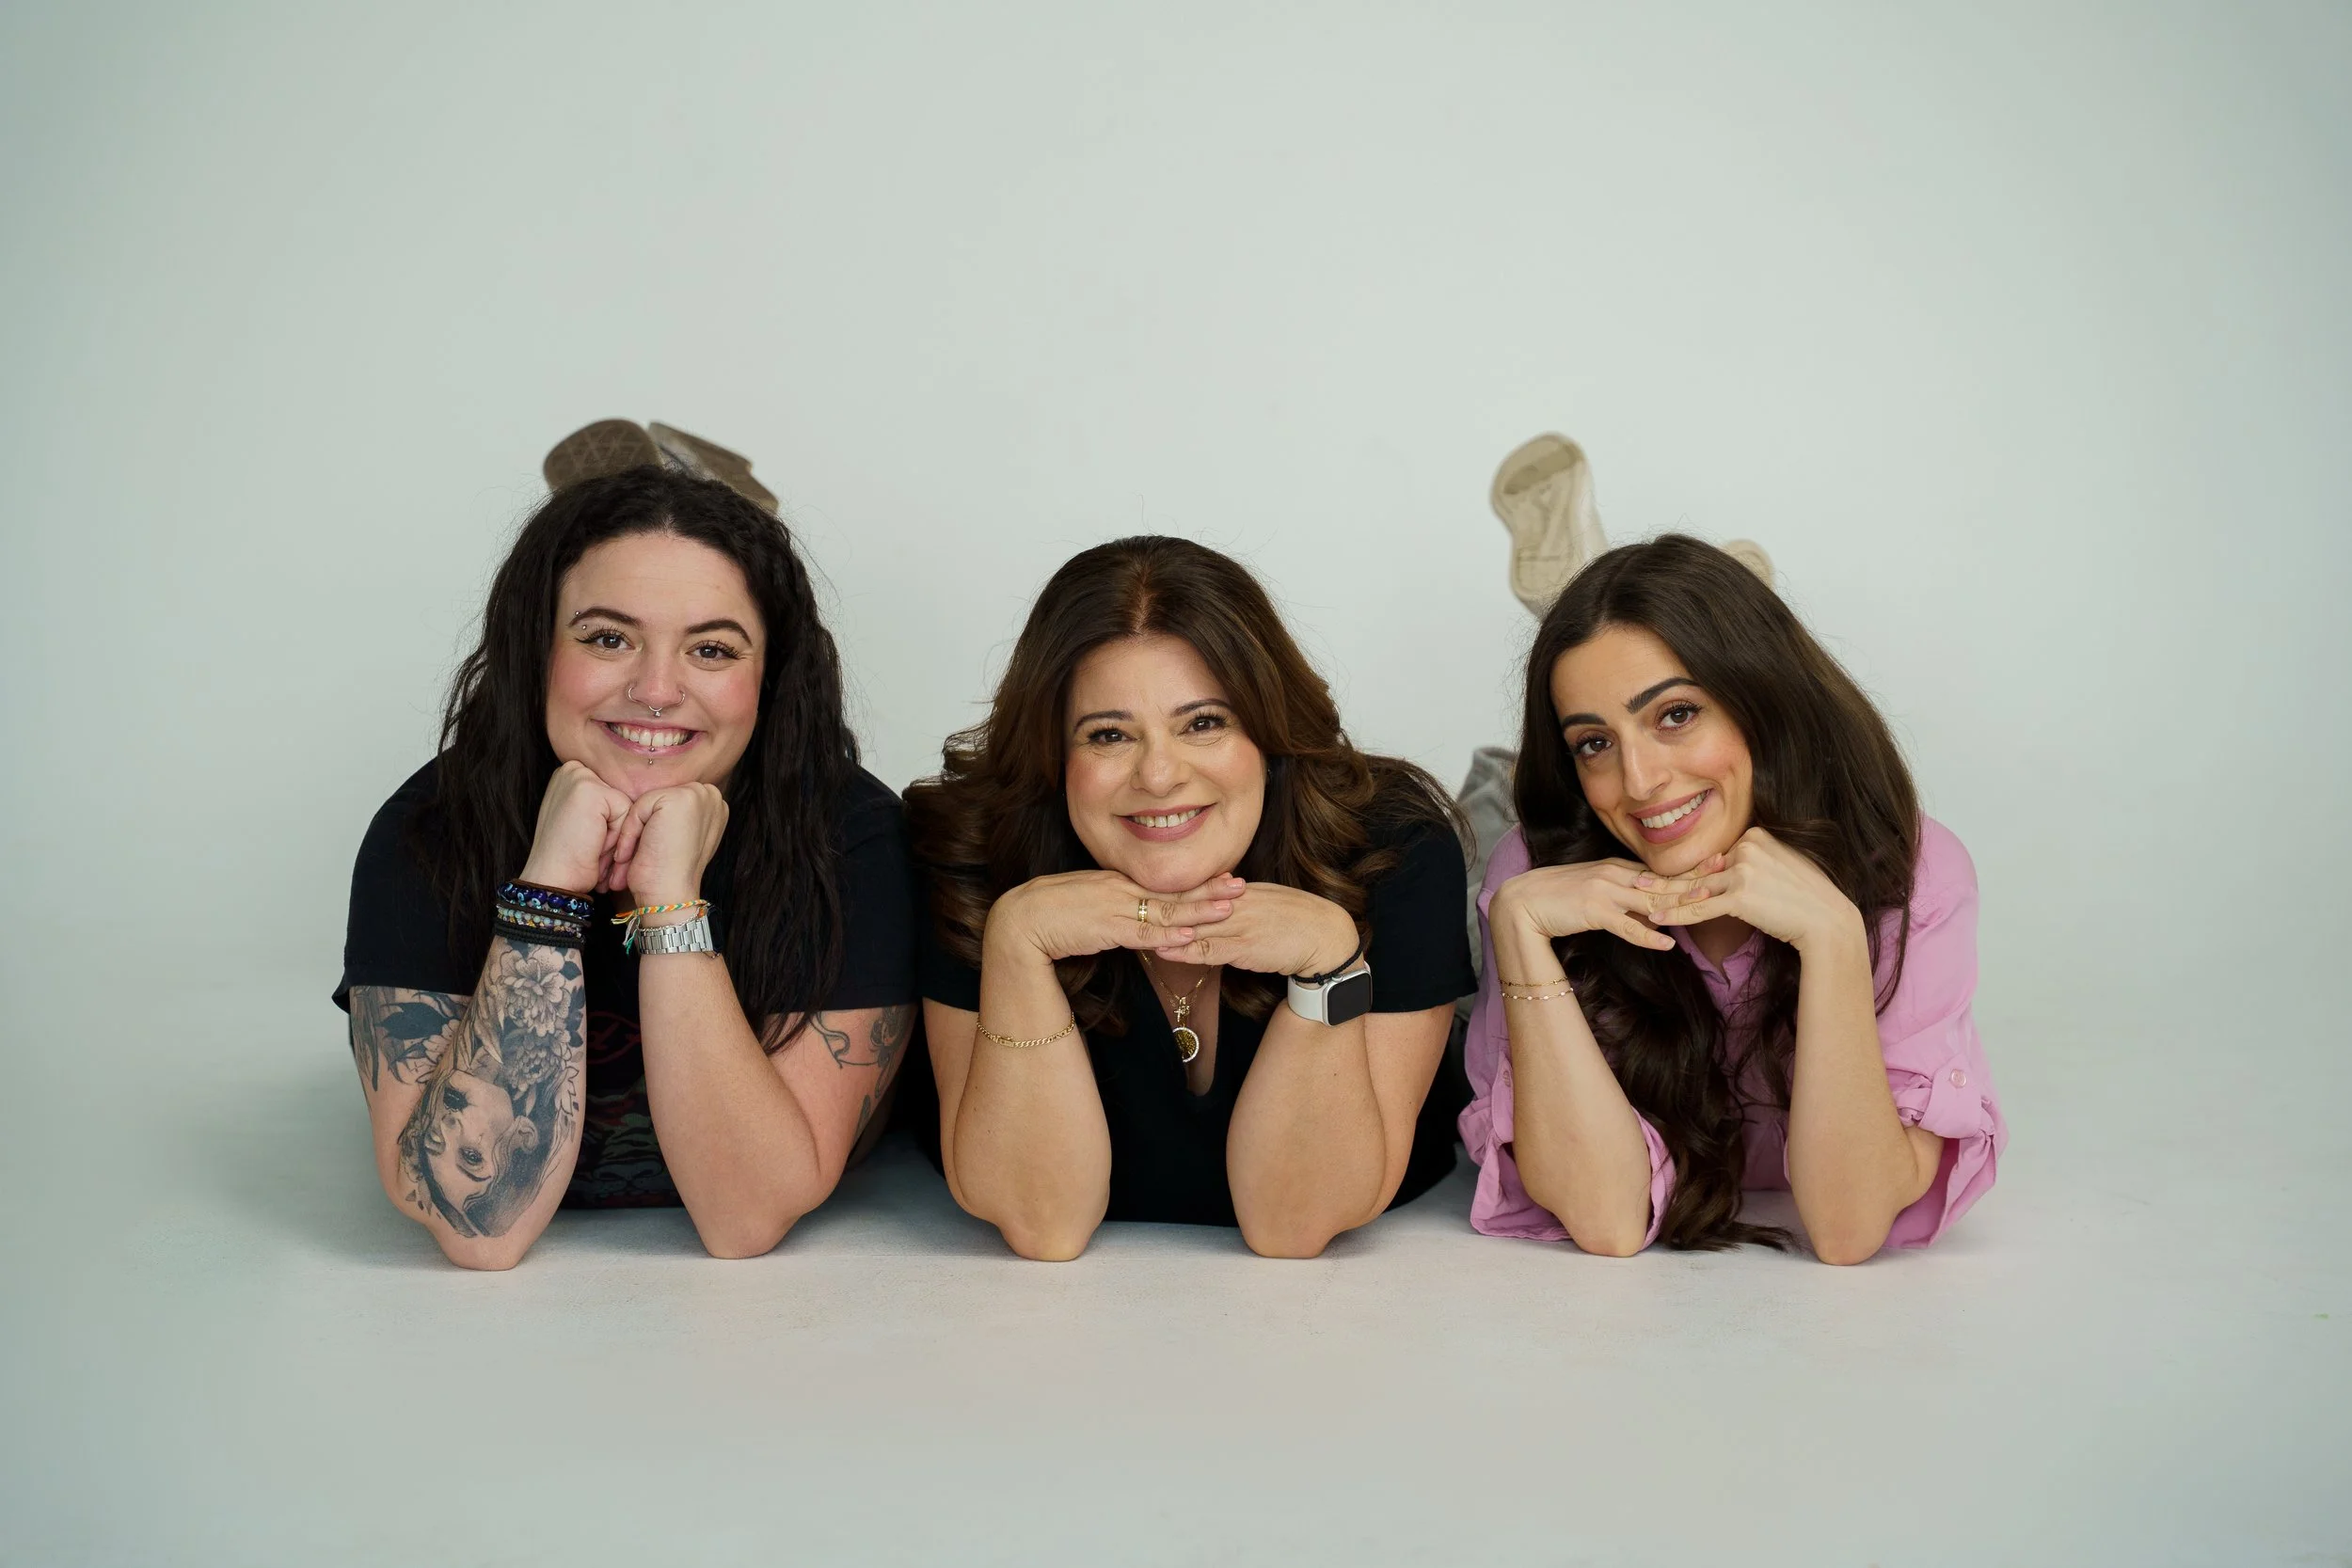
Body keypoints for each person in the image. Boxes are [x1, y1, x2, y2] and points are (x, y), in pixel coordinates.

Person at [336, 466, 916, 1268]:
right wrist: (546, 888)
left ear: (769, 677)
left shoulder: (853, 840)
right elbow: (480, 1231)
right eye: (608, 637)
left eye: (711, 648)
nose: (655, 689)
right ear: (536, 648)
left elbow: (744, 1216)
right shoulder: (430, 831)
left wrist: (671, 898)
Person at [904, 536, 1476, 1260]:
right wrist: (1017, 943)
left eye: (1203, 722)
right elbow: (1040, 1221)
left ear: (1268, 734)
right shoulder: (970, 853)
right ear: (1053, 757)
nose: (1160, 774)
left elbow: (1296, 1225)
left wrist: (1329, 966)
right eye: (1108, 734)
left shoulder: (1393, 850)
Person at [1460, 534, 2003, 1264]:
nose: (1642, 778)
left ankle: (1654, 635)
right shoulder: (1528, 871)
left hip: (1751, 806)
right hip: (1543, 857)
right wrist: (1519, 926)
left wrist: (1834, 936)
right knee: (1476, 824)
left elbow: (1849, 1228)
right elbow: (1608, 1219)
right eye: (1593, 742)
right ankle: (1600, 661)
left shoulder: (1914, 872)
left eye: (1676, 713)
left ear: (1760, 700)